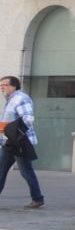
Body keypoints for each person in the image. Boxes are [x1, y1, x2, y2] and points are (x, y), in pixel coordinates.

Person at [0, 76, 44, 208]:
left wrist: (10, 130)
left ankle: (38, 198)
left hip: (19, 142)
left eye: (4, 85)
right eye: (0, 85)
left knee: (26, 171)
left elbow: (28, 118)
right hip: (9, 142)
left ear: (14, 86)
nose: (2, 87)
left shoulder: (21, 98)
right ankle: (38, 198)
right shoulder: (10, 99)